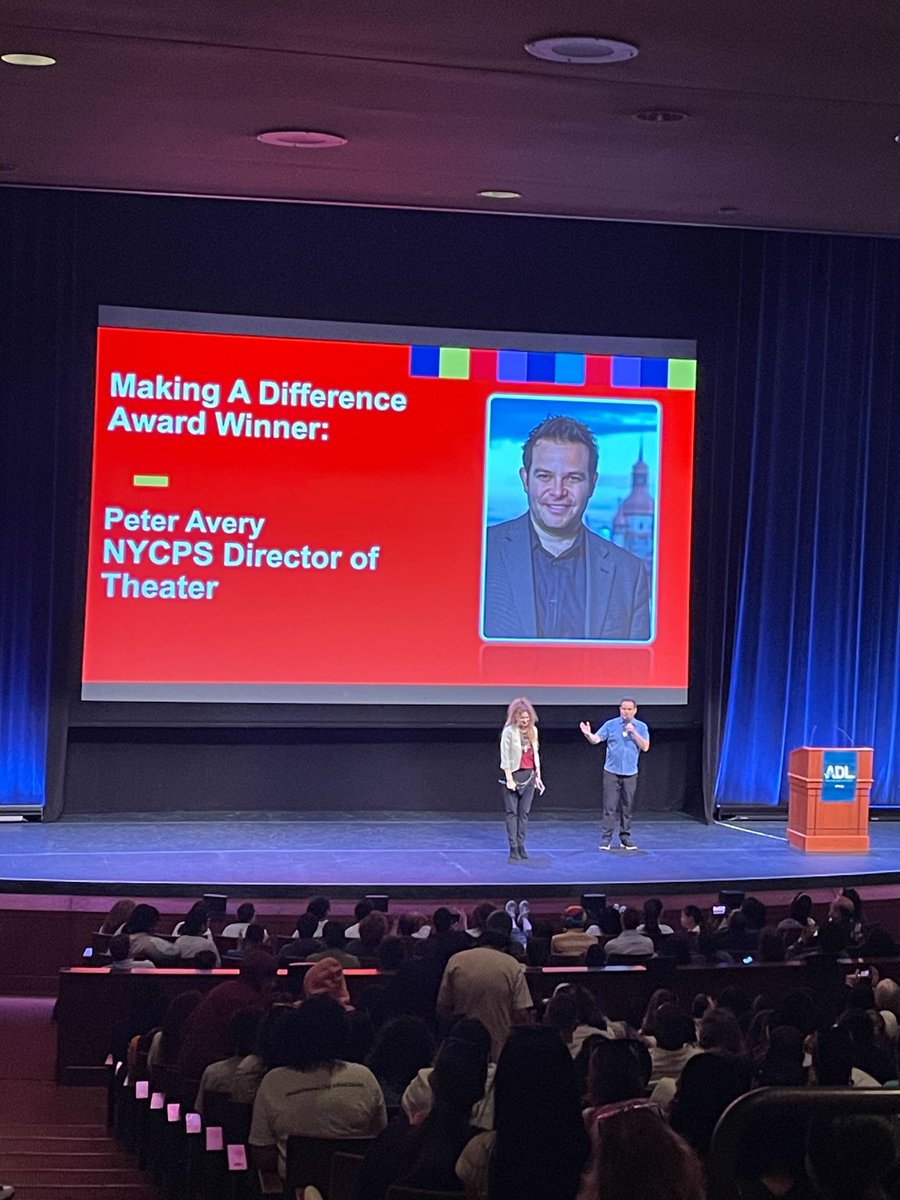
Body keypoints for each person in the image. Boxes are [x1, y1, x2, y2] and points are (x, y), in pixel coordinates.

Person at [482, 415, 651, 640]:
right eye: (545, 476)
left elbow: (640, 670)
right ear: (525, 480)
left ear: (592, 483)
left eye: (572, 478)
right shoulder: (480, 553)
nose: (558, 491)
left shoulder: (629, 573)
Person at [248, 996, 387, 1180]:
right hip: (352, 1190)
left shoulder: (274, 1082)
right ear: (344, 1032)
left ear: (295, 1031)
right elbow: (379, 1143)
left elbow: (262, 1156)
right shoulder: (364, 1077)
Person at [580, 698, 649, 850]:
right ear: (620, 709)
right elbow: (596, 739)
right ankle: (606, 839)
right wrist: (588, 734)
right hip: (611, 772)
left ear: (635, 710)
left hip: (630, 773)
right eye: (624, 708)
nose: (626, 712)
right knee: (609, 807)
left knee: (627, 807)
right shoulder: (610, 725)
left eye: (629, 709)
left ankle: (625, 838)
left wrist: (634, 732)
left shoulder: (641, 727)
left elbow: (645, 747)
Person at [499, 697, 543, 862]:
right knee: (512, 813)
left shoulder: (533, 730)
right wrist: (509, 778)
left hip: (529, 776)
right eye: (521, 718)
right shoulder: (509, 732)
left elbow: (535, 753)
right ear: (515, 717)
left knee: (524, 813)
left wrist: (538, 775)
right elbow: (505, 757)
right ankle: (513, 847)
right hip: (514, 776)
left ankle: (521, 844)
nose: (524, 721)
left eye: (527, 718)